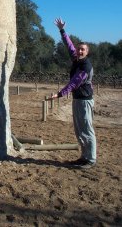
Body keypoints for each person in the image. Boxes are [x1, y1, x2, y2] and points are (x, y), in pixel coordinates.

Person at [51, 17, 97, 169]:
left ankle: (90, 159)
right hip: (78, 100)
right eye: (79, 49)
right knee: (79, 130)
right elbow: (69, 45)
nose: (79, 50)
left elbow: (75, 82)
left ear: (87, 52)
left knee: (87, 130)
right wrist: (62, 30)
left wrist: (60, 94)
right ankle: (83, 157)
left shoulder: (85, 66)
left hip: (84, 100)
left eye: (82, 49)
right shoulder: (76, 59)